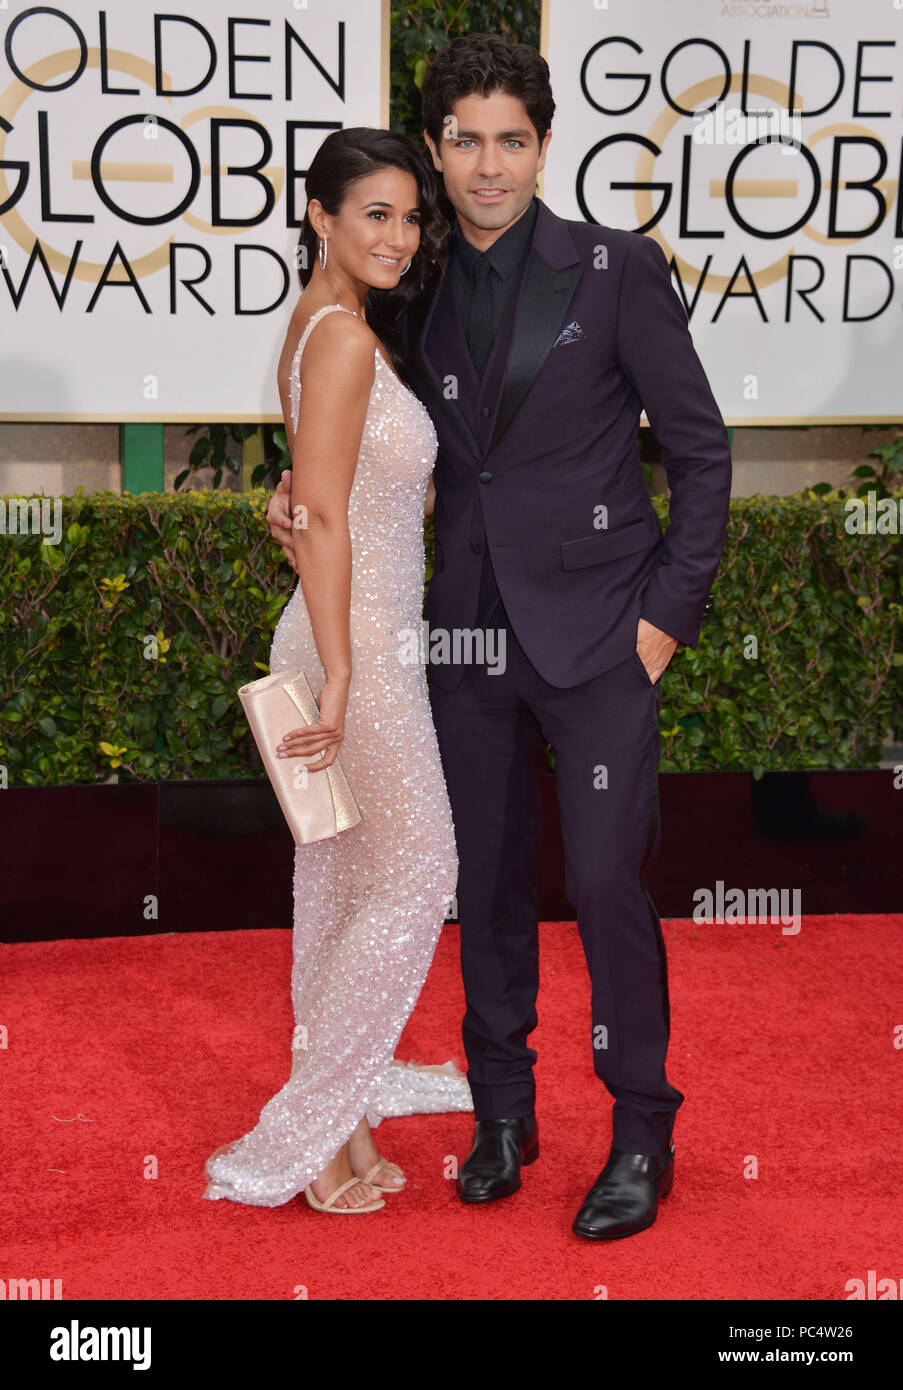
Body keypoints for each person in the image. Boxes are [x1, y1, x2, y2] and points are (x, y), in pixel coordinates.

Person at [268, 35, 732, 1239]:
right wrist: (294, 504)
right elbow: (367, 452)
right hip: (460, 640)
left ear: (542, 143)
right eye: (464, 141)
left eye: (511, 140)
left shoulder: (617, 269)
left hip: (600, 642)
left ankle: (641, 1131)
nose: (487, 168)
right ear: (435, 148)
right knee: (482, 887)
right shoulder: (406, 285)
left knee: (598, 882)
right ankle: (504, 1115)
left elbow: (702, 452)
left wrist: (662, 622)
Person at [203, 127, 464, 1215]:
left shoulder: (325, 328)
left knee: (341, 884)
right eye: (376, 213)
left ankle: (342, 1118)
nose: (399, 235)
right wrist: (352, 674)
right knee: (418, 875)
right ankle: (311, 1128)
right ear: (320, 215)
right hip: (354, 649)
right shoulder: (346, 341)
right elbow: (319, 516)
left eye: (411, 216)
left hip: (338, 635)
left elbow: (329, 499)